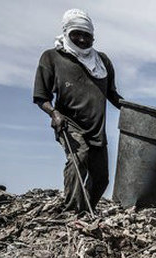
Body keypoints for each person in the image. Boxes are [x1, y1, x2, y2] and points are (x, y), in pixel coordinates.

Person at [33, 9, 124, 213]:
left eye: (87, 35)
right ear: (66, 32)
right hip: (68, 123)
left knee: (101, 178)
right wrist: (54, 113)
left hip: (96, 128)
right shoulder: (52, 57)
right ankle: (72, 211)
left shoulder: (102, 62)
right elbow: (41, 96)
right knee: (79, 157)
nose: (82, 39)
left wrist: (132, 109)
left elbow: (112, 94)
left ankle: (85, 211)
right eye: (77, 34)